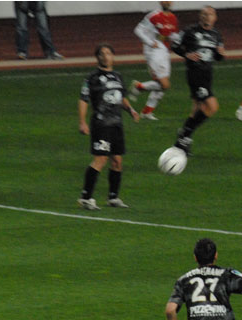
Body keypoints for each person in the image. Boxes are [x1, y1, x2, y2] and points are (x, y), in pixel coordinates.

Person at [77, 43, 139, 211]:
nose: (105, 57)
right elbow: (83, 100)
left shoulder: (118, 76)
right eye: (102, 54)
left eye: (108, 53)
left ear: (113, 56)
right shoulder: (92, 78)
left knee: (117, 161)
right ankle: (86, 197)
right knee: (101, 159)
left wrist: (131, 110)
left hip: (116, 123)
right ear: (97, 57)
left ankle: (113, 197)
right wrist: (82, 121)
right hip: (101, 123)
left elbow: (121, 97)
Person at [171, 6, 225, 155]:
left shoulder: (216, 35)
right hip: (195, 73)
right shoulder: (190, 31)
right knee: (212, 106)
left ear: (215, 17)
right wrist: (186, 54)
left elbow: (218, 57)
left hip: (207, 74)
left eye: (210, 14)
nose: (207, 17)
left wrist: (220, 54)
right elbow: (175, 45)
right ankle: (184, 135)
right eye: (204, 14)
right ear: (200, 16)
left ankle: (184, 139)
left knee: (197, 108)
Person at [129, 1, 179, 120]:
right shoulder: (153, 16)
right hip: (153, 52)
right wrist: (151, 43)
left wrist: (179, 38)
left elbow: (171, 35)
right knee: (164, 84)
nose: (167, 2)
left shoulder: (173, 18)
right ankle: (139, 87)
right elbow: (138, 30)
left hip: (164, 52)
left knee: (161, 86)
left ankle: (147, 112)